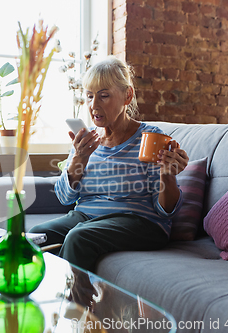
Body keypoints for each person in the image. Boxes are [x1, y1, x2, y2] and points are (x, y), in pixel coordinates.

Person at [29, 56, 189, 272]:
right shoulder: (86, 141)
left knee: (79, 236)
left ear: (127, 95)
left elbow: (165, 211)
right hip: (86, 217)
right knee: (35, 236)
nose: (94, 105)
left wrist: (167, 175)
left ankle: (71, 304)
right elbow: (64, 197)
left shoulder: (149, 138)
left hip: (139, 222)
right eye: (89, 96)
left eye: (104, 96)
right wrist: (78, 158)